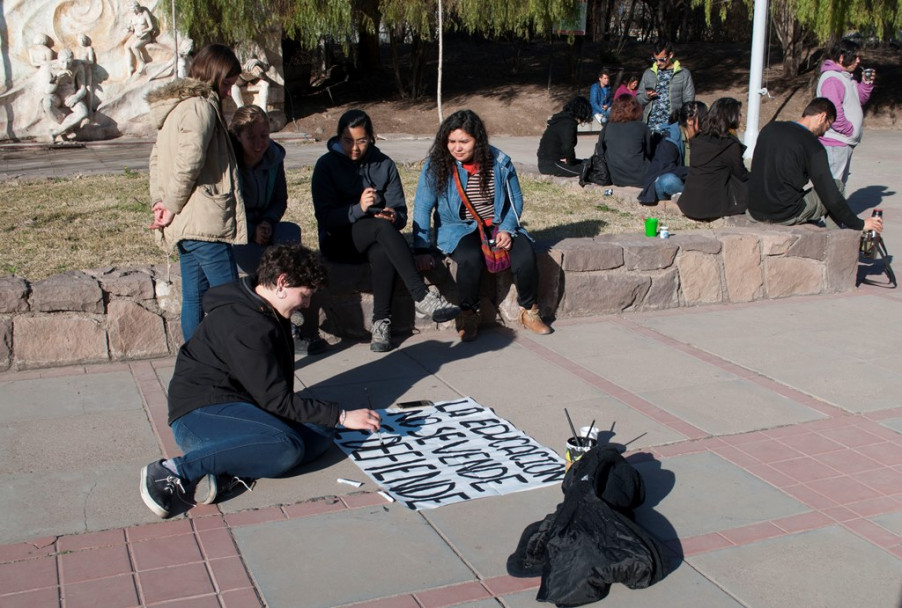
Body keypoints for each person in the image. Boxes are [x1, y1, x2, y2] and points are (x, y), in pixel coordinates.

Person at [139, 244, 382, 518]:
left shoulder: (266, 309)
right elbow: (276, 400)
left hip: (242, 406)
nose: (307, 303)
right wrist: (342, 415)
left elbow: (274, 393)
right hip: (198, 416)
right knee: (287, 446)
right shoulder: (246, 324)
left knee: (320, 431)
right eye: (304, 294)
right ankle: (175, 470)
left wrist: (330, 418)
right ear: (282, 283)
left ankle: (228, 468)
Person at [311, 109, 460, 352]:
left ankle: (381, 323)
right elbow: (325, 217)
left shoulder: (385, 164)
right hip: (338, 240)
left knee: (382, 247)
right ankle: (421, 296)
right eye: (348, 141)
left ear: (371, 138)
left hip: (378, 239)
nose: (355, 148)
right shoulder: (326, 166)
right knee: (379, 229)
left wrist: (393, 216)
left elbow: (400, 212)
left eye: (361, 141)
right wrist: (359, 209)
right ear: (338, 138)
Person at [413, 109, 552, 342]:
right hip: (458, 227)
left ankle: (530, 311)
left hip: (498, 224)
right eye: (452, 141)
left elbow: (515, 199)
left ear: (477, 140)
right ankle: (468, 314)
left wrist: (507, 228)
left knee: (525, 254)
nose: (457, 147)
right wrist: (420, 247)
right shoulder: (436, 165)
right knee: (469, 258)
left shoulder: (499, 162)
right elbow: (422, 206)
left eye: (464, 142)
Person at [147, 44, 246, 342]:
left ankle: (194, 368)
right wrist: (171, 204)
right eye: (227, 83)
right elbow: (189, 161)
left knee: (194, 298)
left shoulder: (177, 107)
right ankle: (235, 370)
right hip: (202, 221)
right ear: (213, 75)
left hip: (185, 222)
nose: (229, 92)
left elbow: (155, 161)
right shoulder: (200, 107)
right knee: (231, 300)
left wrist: (161, 203)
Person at [748, 97, 882, 235]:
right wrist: (860, 224)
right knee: (837, 186)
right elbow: (830, 193)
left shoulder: (769, 128)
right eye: (828, 126)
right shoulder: (813, 145)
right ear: (822, 117)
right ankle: (836, 239)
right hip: (784, 214)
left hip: (754, 210)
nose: (824, 132)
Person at [816, 38, 875, 190]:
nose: (858, 60)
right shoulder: (832, 79)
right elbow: (832, 111)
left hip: (843, 142)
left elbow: (859, 100)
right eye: (854, 56)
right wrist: (848, 129)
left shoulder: (846, 77)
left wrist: (866, 84)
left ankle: (835, 214)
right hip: (835, 143)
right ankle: (827, 214)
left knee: (838, 186)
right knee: (832, 187)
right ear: (842, 57)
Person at [677, 97, 749, 220]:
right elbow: (741, 175)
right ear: (730, 117)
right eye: (738, 114)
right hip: (710, 208)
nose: (741, 117)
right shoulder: (730, 145)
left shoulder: (698, 138)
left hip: (688, 203)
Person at [638, 100, 707, 205]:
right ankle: (695, 198)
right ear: (689, 120)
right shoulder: (670, 139)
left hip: (688, 182)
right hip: (663, 183)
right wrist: (694, 171)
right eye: (702, 118)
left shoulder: (702, 139)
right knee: (669, 181)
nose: (705, 121)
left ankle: (686, 196)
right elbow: (666, 169)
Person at [637, 39, 695, 133]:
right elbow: (638, 99)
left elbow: (689, 102)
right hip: (650, 128)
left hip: (672, 128)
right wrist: (646, 96)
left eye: (662, 59)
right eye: (655, 59)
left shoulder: (684, 74)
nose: (658, 63)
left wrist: (684, 124)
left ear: (670, 55)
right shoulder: (648, 73)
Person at [596, 94, 651, 187]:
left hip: (616, 177)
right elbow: (649, 151)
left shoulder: (608, 126)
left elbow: (600, 151)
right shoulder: (641, 127)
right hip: (641, 177)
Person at [537, 96, 592, 177]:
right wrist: (570, 161)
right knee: (587, 171)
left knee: (588, 164)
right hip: (552, 164)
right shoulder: (568, 124)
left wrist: (569, 160)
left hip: (549, 161)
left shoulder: (562, 119)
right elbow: (567, 146)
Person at [124, 1, 155, 76]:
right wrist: (128, 28)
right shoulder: (132, 16)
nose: (132, 12)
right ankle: (130, 66)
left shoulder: (145, 14)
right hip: (136, 35)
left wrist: (144, 31)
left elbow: (151, 27)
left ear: (136, 8)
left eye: (133, 10)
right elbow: (132, 28)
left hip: (145, 35)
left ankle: (141, 63)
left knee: (134, 46)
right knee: (126, 46)